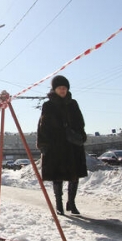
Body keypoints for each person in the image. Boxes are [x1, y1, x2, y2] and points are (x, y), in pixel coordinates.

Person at [37, 75, 88, 215]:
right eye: (60, 88)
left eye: (64, 88)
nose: (62, 90)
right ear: (54, 89)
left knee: (74, 176)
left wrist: (80, 135)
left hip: (72, 146)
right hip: (56, 146)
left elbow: (80, 122)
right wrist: (43, 144)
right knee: (57, 176)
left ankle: (71, 203)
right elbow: (42, 126)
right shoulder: (48, 105)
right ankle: (59, 204)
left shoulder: (73, 104)